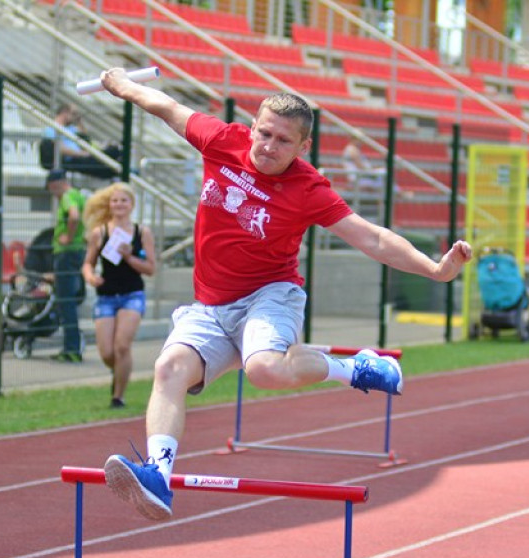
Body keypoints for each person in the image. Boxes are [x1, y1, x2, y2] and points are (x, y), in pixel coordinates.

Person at [95, 67, 473, 521]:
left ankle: (356, 367)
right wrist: (121, 85)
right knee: (169, 367)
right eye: (264, 134)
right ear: (252, 127)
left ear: (303, 147)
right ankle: (159, 475)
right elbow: (166, 106)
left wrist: (435, 269)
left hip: (270, 294)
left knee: (264, 369)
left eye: (283, 141)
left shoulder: (307, 188)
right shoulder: (221, 140)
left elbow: (371, 237)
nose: (269, 147)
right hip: (211, 305)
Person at [81, 182, 156, 408]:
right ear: (109, 204)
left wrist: (129, 257)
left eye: (124, 200)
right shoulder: (100, 232)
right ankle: (119, 371)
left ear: (132, 204)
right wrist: (91, 277)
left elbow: (150, 268)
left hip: (132, 294)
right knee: (107, 352)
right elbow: (87, 264)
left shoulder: (142, 232)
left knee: (122, 346)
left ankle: (118, 397)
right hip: (106, 296)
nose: (119, 204)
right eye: (115, 200)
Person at [46, 168, 87, 363]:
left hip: (66, 253)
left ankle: (71, 348)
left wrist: (68, 237)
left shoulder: (67, 196)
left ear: (55, 184)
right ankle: (73, 346)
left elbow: (74, 216)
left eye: (52, 189)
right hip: (76, 251)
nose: (53, 194)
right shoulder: (79, 195)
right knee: (69, 300)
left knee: (65, 301)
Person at [40, 103, 120, 179]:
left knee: (114, 151)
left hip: (83, 155)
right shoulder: (52, 129)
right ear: (64, 113)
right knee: (112, 154)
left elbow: (85, 137)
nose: (76, 116)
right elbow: (61, 149)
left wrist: (79, 121)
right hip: (73, 159)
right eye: (74, 113)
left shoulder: (70, 128)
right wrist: (84, 154)